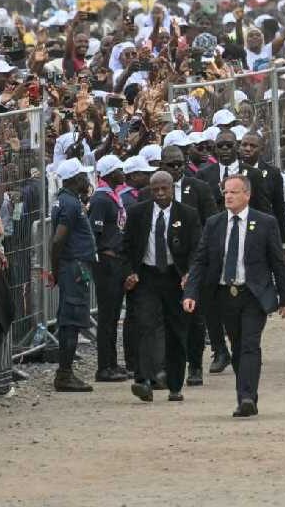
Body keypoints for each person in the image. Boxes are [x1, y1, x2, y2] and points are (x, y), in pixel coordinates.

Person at [183, 175, 285, 418]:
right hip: (224, 294)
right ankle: (246, 393)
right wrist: (191, 292)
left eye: (234, 192)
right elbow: (200, 261)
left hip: (253, 294)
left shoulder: (265, 223)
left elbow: (277, 262)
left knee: (250, 344)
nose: (228, 196)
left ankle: (246, 397)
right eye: (225, 192)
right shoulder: (214, 224)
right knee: (237, 345)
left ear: (247, 195)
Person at [122, 171, 201, 403]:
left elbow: (197, 248)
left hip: (175, 278)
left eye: (164, 189)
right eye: (155, 189)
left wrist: (189, 273)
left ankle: (175, 385)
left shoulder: (187, 214)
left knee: (176, 330)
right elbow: (126, 246)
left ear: (172, 188)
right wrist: (129, 272)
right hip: (146, 277)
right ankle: (144, 380)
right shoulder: (138, 213)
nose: (159, 194)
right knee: (145, 325)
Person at [157, 145, 218, 386]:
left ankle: (195, 365)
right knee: (165, 317)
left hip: (193, 261)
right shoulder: (153, 191)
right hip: (163, 264)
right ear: (161, 165)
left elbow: (212, 223)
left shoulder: (199, 188)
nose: (176, 169)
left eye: (180, 164)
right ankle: (167, 367)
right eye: (171, 164)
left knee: (194, 317)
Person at [50, 158, 97, 393]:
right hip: (74, 267)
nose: (87, 180)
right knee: (71, 320)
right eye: (83, 176)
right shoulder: (69, 203)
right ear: (76, 179)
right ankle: (65, 373)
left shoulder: (68, 200)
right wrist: (56, 270)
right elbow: (58, 240)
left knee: (72, 318)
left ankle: (66, 372)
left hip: (73, 266)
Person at [88, 154, 129, 383]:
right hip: (106, 262)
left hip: (117, 260)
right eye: (119, 170)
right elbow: (95, 234)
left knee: (113, 315)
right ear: (111, 174)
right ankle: (104, 366)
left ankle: (112, 362)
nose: (123, 173)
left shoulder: (113, 197)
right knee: (107, 315)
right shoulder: (101, 200)